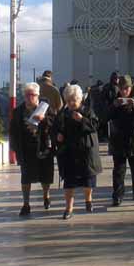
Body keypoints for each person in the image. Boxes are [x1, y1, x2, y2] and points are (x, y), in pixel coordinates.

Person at [53, 84, 102, 220]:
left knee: (88, 181)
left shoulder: (87, 111)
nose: (71, 103)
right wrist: (58, 136)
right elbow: (55, 129)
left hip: (85, 152)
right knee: (69, 182)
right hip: (69, 153)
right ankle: (69, 208)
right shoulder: (62, 114)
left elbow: (96, 125)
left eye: (74, 99)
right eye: (68, 100)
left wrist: (82, 120)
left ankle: (88, 199)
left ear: (80, 99)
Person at [9, 82, 56, 216]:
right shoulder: (18, 111)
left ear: (38, 96)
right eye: (27, 95)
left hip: (43, 147)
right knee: (26, 178)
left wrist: (44, 119)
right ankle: (26, 204)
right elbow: (13, 130)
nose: (30, 98)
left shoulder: (45, 109)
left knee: (45, 176)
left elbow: (55, 125)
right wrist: (14, 148)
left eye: (33, 95)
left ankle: (46, 195)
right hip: (26, 149)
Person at [108, 75, 134, 206]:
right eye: (122, 88)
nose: (124, 91)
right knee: (119, 169)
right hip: (118, 138)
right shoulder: (114, 98)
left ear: (131, 87)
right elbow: (105, 116)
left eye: (127, 88)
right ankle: (117, 196)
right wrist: (114, 106)